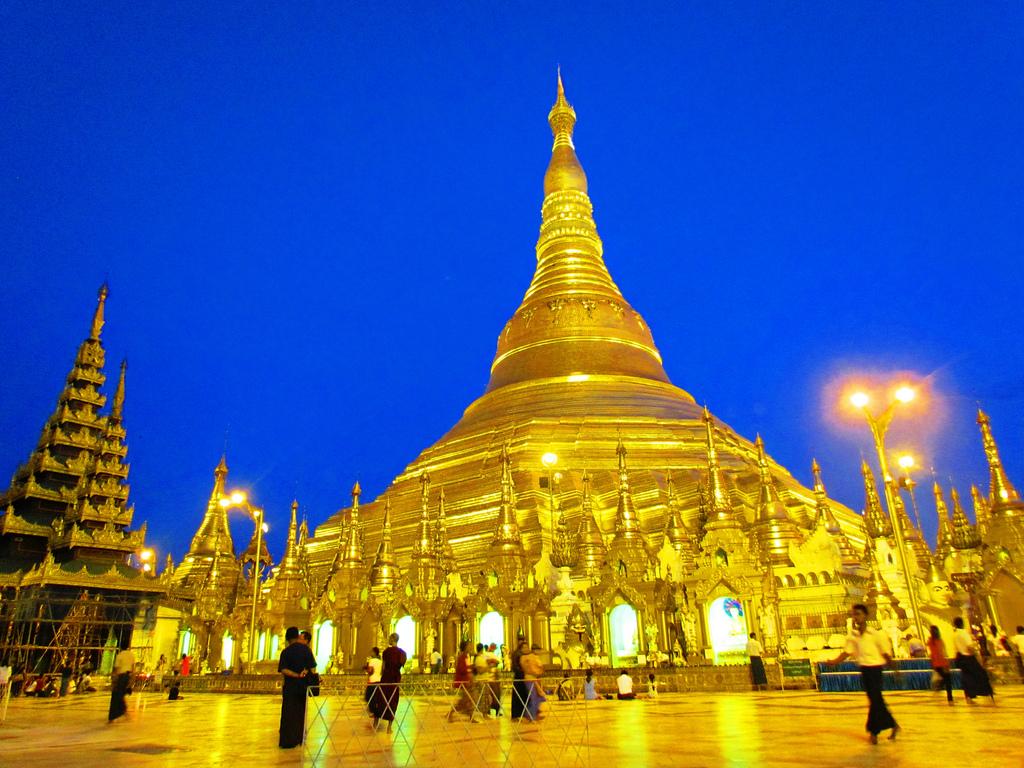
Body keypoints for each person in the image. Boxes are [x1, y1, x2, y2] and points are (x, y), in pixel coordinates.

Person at [829, 603, 899, 744]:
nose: (855, 617)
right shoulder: (853, 636)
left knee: (875, 700)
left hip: (876, 669)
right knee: (876, 700)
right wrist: (834, 661)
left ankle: (873, 731)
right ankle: (892, 724)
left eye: (858, 614)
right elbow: (846, 652)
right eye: (854, 614)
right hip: (865, 670)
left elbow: (885, 652)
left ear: (866, 615)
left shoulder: (875, 634)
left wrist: (894, 668)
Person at [278, 625, 317, 748]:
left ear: (288, 638)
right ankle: (299, 738)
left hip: (290, 687)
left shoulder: (286, 652)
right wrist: (304, 674)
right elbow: (312, 668)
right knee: (300, 712)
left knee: (288, 713)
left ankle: (288, 740)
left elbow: (283, 669)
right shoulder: (306, 650)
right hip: (303, 687)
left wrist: (295, 675)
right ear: (297, 636)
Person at [953, 617, 994, 703]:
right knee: (981, 674)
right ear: (962, 623)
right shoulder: (964, 633)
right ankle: (986, 692)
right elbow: (970, 646)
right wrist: (977, 655)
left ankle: (969, 696)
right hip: (968, 657)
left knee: (967, 677)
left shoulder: (955, 634)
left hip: (960, 657)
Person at [377, 632, 407, 734]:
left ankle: (376, 723)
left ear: (392, 639)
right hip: (395, 678)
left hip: (386, 677)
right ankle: (389, 727)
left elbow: (383, 667)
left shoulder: (386, 652)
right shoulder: (402, 653)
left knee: (382, 699)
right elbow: (402, 665)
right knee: (393, 700)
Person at [449, 640, 479, 721]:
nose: (470, 647)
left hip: (468, 681)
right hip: (464, 681)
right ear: (465, 647)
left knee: (469, 699)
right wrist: (470, 667)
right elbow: (461, 669)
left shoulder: (467, 656)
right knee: (465, 700)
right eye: (469, 645)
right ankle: (451, 713)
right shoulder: (461, 657)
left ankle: (470, 717)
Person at [108, 639, 136, 723]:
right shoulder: (131, 655)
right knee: (121, 694)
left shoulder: (120, 655)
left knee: (117, 695)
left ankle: (119, 712)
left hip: (121, 676)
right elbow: (133, 668)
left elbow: (117, 668)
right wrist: (132, 680)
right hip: (128, 676)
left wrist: (114, 679)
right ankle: (122, 711)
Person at [927, 625, 954, 704]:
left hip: (936, 663)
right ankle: (950, 699)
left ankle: (939, 688)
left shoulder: (930, 641)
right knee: (948, 680)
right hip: (942, 662)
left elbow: (931, 653)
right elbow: (943, 652)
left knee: (945, 679)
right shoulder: (940, 641)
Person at [520, 644, 546, 720]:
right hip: (529, 679)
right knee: (533, 697)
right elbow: (532, 668)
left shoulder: (532, 657)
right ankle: (529, 715)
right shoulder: (526, 658)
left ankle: (533, 714)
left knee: (538, 697)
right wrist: (538, 670)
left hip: (534, 679)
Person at [509, 641, 529, 720]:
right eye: (525, 647)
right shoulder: (519, 655)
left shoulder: (517, 654)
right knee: (520, 697)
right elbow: (517, 666)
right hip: (520, 678)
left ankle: (517, 715)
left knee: (518, 697)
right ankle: (519, 714)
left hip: (518, 677)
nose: (527, 649)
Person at [364, 646, 382, 715]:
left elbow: (370, 671)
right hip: (379, 681)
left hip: (372, 681)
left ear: (374, 652)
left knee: (369, 697)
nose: (370, 653)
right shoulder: (381, 661)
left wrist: (366, 669)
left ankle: (373, 712)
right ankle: (377, 712)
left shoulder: (371, 661)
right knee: (376, 698)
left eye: (371, 652)